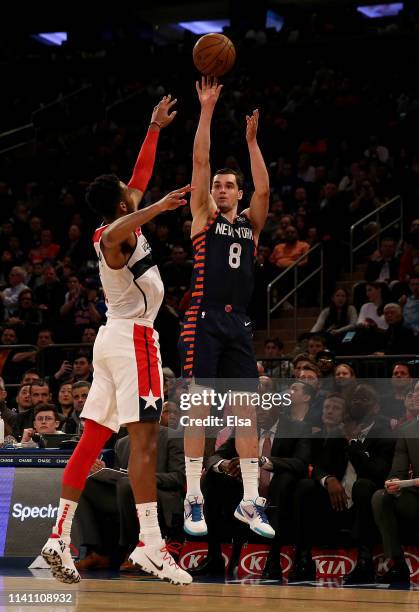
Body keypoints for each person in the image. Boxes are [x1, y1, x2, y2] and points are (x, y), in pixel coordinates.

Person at [41, 95, 192, 586]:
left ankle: (56, 537)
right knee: (145, 439)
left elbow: (139, 175)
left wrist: (153, 128)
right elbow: (124, 221)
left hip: (111, 341)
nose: (136, 191)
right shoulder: (112, 236)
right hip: (133, 341)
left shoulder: (125, 217)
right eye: (130, 195)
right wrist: (157, 208)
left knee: (93, 438)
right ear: (121, 205)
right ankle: (151, 544)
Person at [179, 77, 272, 539]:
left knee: (245, 413)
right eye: (217, 184)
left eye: (228, 185)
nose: (219, 187)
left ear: (238, 193)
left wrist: (253, 142)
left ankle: (251, 501)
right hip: (204, 316)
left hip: (239, 321)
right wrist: (207, 110)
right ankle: (193, 496)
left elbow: (265, 193)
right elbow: (200, 159)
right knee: (197, 405)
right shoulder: (202, 215)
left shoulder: (251, 226)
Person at [372, 380, 419, 584]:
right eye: (416, 391)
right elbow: (397, 472)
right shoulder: (407, 430)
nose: (417, 395)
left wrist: (407, 484)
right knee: (381, 497)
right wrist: (394, 483)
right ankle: (397, 564)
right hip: (416, 499)